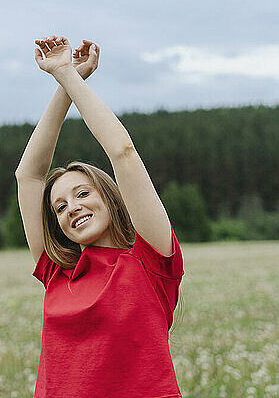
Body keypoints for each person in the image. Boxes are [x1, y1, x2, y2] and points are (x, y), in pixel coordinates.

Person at [15, 35, 184, 398]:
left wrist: (72, 77)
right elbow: (28, 176)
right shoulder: (56, 272)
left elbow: (122, 151)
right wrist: (62, 79)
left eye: (82, 193)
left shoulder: (151, 260)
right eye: (59, 206)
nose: (71, 207)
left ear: (109, 197)